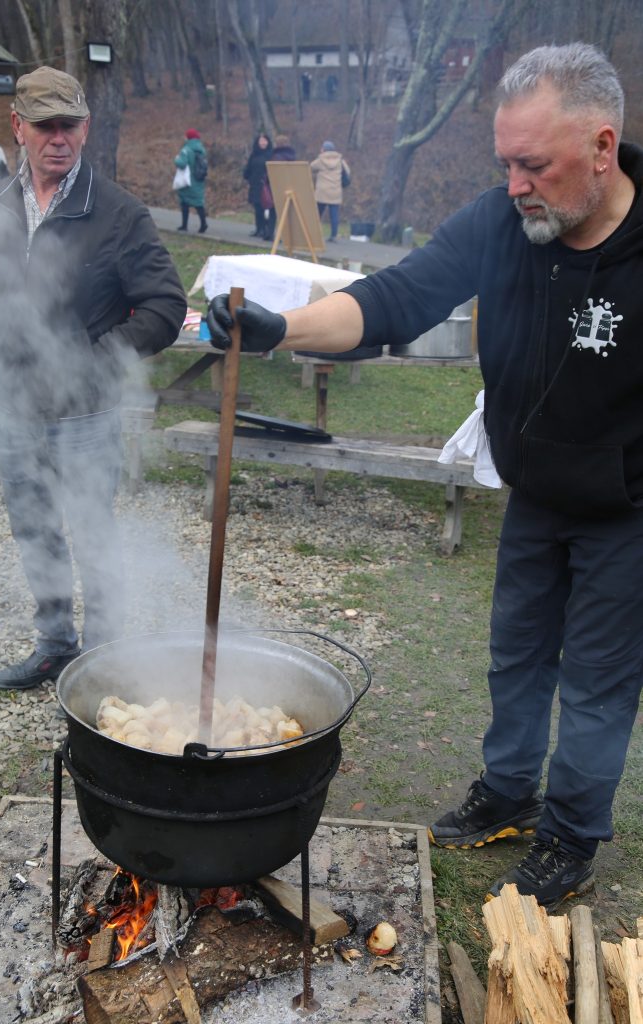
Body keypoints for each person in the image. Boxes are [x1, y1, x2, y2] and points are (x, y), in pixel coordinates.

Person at [206, 43, 643, 912]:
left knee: (597, 682)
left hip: (627, 510)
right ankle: (507, 793)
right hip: (533, 492)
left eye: (533, 165)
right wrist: (278, 328)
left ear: (601, 147)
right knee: (515, 657)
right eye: (505, 163)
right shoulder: (501, 222)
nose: (515, 185)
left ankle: (569, 834)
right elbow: (392, 298)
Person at [0, 66, 187, 691]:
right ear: (18, 127)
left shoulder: (118, 214)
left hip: (86, 414)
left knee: (93, 534)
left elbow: (166, 306)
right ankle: (55, 645)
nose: (58, 138)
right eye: (45, 126)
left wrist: (93, 366)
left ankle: (102, 657)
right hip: (15, 408)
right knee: (33, 529)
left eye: (69, 125)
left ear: (86, 129)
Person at [310, 140, 350, 242]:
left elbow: (311, 167)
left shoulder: (320, 160)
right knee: (334, 214)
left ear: (324, 149)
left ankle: (314, 233)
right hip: (335, 191)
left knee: (318, 213)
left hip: (322, 190)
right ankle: (333, 235)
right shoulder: (340, 160)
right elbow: (347, 171)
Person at [262, 133, 296, 242]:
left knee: (273, 211)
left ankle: (270, 233)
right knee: (284, 212)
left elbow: (271, 174)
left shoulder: (276, 157)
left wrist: (265, 180)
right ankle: (284, 236)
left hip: (275, 186)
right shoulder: (292, 157)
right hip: (288, 186)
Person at [174, 127, 208, 234]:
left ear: (188, 137)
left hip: (188, 181)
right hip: (199, 180)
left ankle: (184, 225)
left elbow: (182, 163)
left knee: (184, 203)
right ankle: (203, 224)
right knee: (199, 203)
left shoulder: (186, 150)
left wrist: (176, 159)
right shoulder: (201, 149)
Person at [243, 132, 272, 238]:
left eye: (265, 140)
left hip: (266, 186)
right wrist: (247, 175)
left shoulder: (270, 154)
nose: (263, 143)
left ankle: (266, 229)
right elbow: (248, 168)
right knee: (257, 207)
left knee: (265, 208)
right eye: (261, 141)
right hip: (255, 185)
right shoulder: (254, 154)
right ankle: (258, 228)